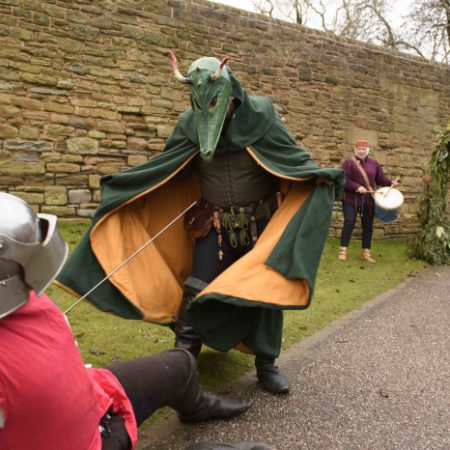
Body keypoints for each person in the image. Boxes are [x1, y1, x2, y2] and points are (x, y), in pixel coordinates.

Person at [56, 53, 344, 396]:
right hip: (215, 224)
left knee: (265, 291)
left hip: (260, 223)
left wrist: (318, 178)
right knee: (195, 287)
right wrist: (128, 191)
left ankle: (266, 364)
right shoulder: (188, 123)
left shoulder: (262, 117)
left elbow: (290, 159)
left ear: (232, 93)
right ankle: (183, 363)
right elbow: (169, 168)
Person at [0, 192, 261, 450]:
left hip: (95, 394)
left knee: (180, 364)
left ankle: (197, 408)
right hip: (91, 442)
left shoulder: (22, 295)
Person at [339, 139, 399, 263]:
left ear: (367, 150)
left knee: (368, 226)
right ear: (355, 150)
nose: (361, 151)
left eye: (364, 149)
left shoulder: (374, 163)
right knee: (349, 221)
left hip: (368, 200)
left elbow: (380, 179)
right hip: (350, 199)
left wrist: (390, 183)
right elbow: (343, 179)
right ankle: (343, 250)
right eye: (359, 149)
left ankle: (366, 253)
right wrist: (356, 187)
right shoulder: (348, 163)